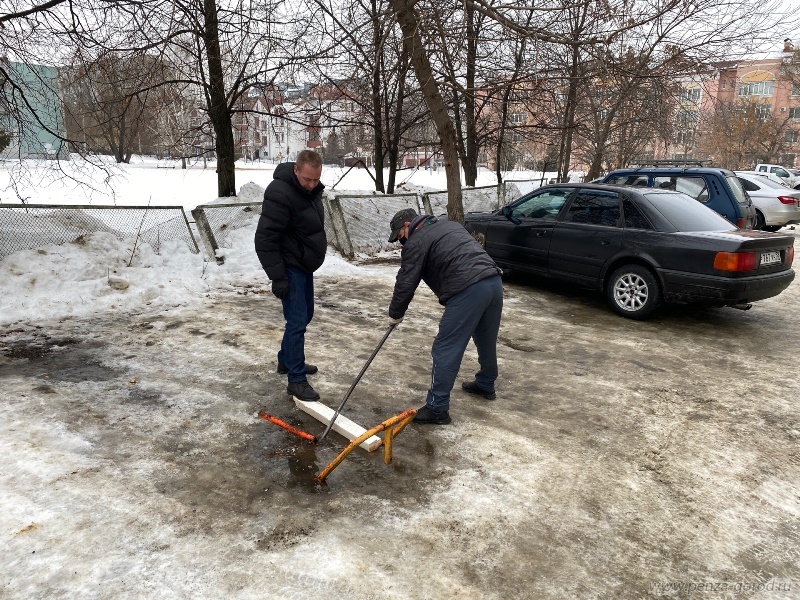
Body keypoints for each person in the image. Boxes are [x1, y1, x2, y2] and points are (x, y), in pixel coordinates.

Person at [387, 208, 504, 425]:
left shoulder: (417, 240)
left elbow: (406, 281)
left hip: (467, 288)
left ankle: (437, 407)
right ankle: (486, 383)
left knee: (446, 347)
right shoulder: (449, 225)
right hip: (493, 281)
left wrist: (395, 314)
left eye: (400, 237)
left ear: (407, 226)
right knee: (485, 337)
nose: (401, 242)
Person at [255, 150, 326, 401]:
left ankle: (286, 360)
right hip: (290, 267)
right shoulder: (279, 193)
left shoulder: (310, 191)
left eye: (316, 180)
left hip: (303, 264)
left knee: (305, 315)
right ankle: (295, 379)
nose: (312, 185)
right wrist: (278, 276)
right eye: (308, 179)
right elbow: (265, 238)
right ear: (296, 170)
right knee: (296, 322)